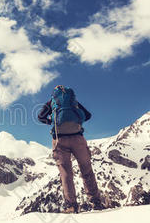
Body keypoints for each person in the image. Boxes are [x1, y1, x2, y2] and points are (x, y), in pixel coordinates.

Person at [38, 85, 104, 213]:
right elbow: (88, 115)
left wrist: (51, 122)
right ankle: (96, 202)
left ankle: (71, 205)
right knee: (86, 169)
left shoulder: (51, 103)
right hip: (78, 138)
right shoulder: (74, 102)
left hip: (59, 140)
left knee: (66, 173)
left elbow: (40, 117)